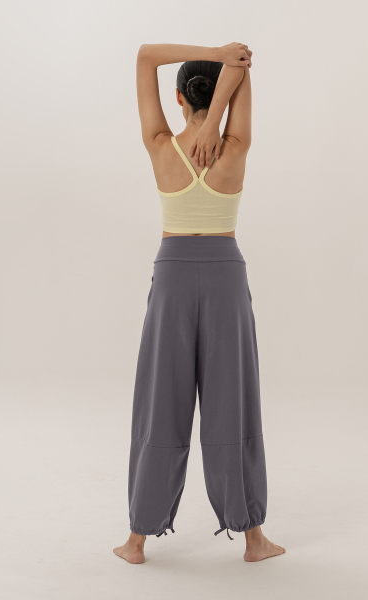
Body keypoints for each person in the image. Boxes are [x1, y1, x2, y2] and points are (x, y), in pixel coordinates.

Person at [114, 43, 285, 564]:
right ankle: (253, 540)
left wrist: (212, 55)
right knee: (232, 403)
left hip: (171, 277)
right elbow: (243, 63)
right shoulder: (235, 146)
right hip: (225, 278)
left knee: (159, 402)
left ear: (178, 97)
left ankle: (137, 540)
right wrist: (216, 120)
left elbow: (145, 56)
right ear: (225, 97)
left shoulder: (160, 144)